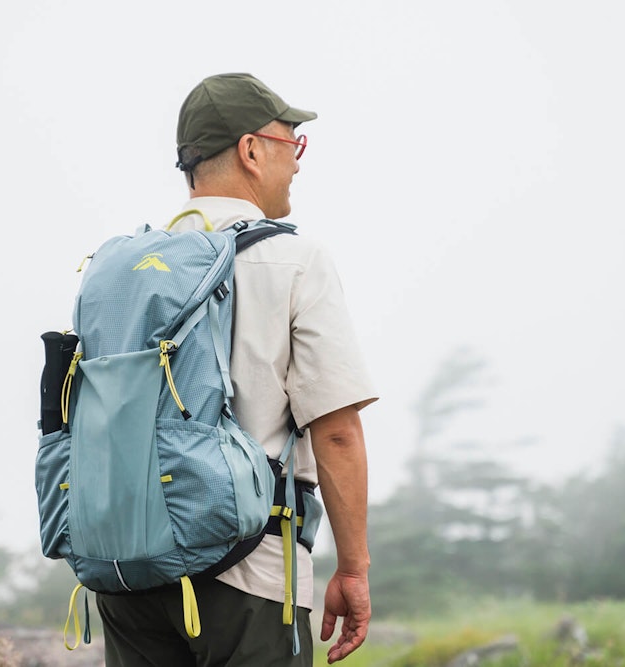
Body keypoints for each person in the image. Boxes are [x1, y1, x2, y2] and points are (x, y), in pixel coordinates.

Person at [95, 72, 378, 667]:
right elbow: (335, 430)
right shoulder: (295, 259)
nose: (298, 164)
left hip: (127, 572)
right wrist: (353, 568)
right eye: (290, 144)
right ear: (251, 150)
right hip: (250, 574)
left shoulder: (124, 265)